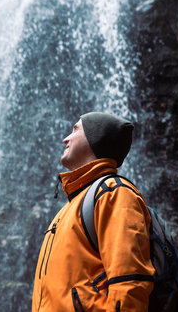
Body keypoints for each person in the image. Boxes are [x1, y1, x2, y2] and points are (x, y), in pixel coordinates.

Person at [32, 112, 155, 311]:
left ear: (94, 137)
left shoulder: (114, 193)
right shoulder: (73, 204)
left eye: (76, 129)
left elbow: (129, 282)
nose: (66, 138)